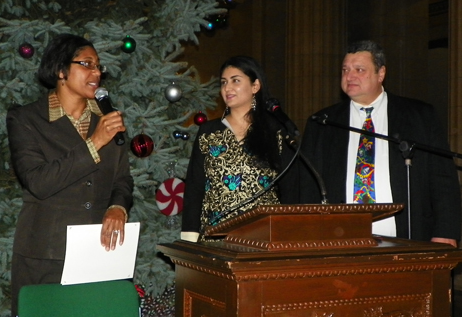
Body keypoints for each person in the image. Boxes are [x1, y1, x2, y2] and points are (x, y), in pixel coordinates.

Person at [6, 34, 134, 317]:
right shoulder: (26, 119)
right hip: (46, 254)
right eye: (87, 64)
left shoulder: (107, 118)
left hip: (99, 253)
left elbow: (123, 180)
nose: (97, 73)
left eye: (99, 66)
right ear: (61, 71)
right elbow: (38, 182)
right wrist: (95, 143)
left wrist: (118, 207)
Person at [299, 40, 461, 246]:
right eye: (345, 69)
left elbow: (443, 179)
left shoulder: (419, 116)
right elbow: (307, 185)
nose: (349, 76)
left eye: (359, 69)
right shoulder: (322, 122)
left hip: (409, 235)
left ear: (381, 73)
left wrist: (446, 231)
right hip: (340, 238)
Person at [181, 56, 298, 242]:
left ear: (255, 86)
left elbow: (290, 189)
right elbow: (195, 188)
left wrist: (289, 234)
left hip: (264, 238)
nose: (227, 88)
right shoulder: (208, 132)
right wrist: (189, 237)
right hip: (216, 237)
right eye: (224, 82)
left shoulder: (275, 131)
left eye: (235, 80)